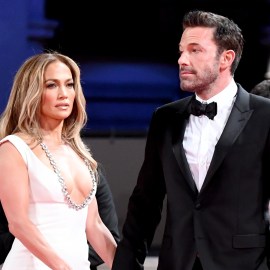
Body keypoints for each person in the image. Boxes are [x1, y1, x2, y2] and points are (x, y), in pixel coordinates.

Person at [112, 10, 270, 270]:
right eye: (181, 50)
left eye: (195, 50)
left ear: (226, 58)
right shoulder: (165, 118)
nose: (182, 59)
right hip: (177, 263)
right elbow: (145, 202)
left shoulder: (264, 116)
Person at [0, 51, 117, 269]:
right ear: (32, 92)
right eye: (52, 85)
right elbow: (18, 224)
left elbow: (94, 225)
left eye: (69, 84)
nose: (64, 94)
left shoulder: (79, 152)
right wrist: (62, 268)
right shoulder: (14, 147)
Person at [0, 168, 120, 270]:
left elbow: (97, 226)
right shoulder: (15, 155)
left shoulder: (87, 166)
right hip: (29, 261)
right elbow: (15, 226)